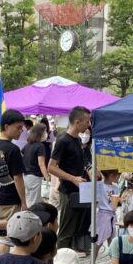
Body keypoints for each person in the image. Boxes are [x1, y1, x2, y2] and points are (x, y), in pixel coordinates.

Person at [49, 105, 92, 249]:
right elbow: (51, 167)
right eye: (87, 121)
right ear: (77, 122)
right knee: (66, 231)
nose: (88, 125)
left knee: (77, 229)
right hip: (68, 192)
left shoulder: (78, 141)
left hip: (80, 191)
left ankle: (71, 261)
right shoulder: (63, 141)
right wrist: (73, 179)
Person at [0, 109, 29, 218]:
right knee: (10, 231)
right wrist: (23, 202)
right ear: (6, 126)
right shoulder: (13, 149)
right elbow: (17, 178)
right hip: (10, 200)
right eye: (18, 127)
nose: (21, 131)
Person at [22, 124, 51, 207]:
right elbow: (41, 163)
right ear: (40, 133)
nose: (46, 133)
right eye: (45, 132)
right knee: (35, 203)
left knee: (28, 200)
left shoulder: (27, 145)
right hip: (35, 177)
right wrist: (47, 176)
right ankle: (33, 218)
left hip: (26, 176)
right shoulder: (40, 146)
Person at [95, 168, 120, 248]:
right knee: (99, 241)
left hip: (112, 214)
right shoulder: (99, 185)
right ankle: (93, 260)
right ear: (112, 176)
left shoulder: (116, 186)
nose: (119, 177)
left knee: (112, 241)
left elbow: (115, 203)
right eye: (118, 175)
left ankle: (112, 260)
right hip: (103, 214)